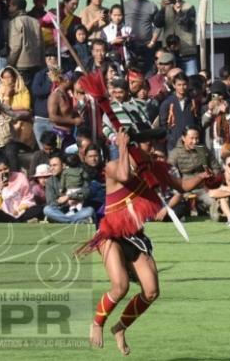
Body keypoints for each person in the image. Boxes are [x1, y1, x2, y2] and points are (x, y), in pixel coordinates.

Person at [83, 130, 214, 354]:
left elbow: (181, 185)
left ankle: (120, 327)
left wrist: (201, 178)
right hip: (111, 234)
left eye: (152, 143)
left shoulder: (152, 169)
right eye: (146, 144)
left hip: (136, 236)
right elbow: (125, 176)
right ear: (134, 146)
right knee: (120, 286)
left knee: (152, 291)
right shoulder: (114, 166)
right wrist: (123, 147)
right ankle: (97, 323)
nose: (151, 148)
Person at [167, 125, 221, 218]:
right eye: (191, 138)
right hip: (184, 190)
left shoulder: (203, 150)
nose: (195, 141)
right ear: (183, 138)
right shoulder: (175, 153)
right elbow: (169, 173)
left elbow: (216, 167)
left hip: (203, 188)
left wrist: (213, 179)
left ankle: (207, 210)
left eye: (197, 138)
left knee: (214, 203)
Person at [151, 0, 198, 75]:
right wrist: (162, 9)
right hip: (169, 55)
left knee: (190, 81)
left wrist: (179, 12)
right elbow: (157, 24)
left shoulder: (189, 7)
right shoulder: (165, 7)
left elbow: (188, 25)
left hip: (186, 54)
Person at [42, 154, 95, 223]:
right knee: (47, 209)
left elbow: (87, 192)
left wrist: (69, 197)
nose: (51, 168)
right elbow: (51, 202)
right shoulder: (50, 181)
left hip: (79, 209)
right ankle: (72, 221)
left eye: (55, 165)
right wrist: (64, 202)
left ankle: (65, 221)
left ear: (63, 166)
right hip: (61, 211)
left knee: (90, 210)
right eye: (50, 166)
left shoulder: (79, 176)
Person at [6, 0, 44, 84]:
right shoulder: (35, 21)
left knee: (22, 92)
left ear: (15, 7)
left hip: (21, 64)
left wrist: (9, 63)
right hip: (36, 62)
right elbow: (41, 44)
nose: (8, 8)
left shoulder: (15, 22)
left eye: (9, 6)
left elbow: (16, 46)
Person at [122, 0, 157, 69]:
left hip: (147, 46)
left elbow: (158, 26)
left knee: (148, 73)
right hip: (130, 46)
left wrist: (153, 41)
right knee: (131, 72)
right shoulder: (124, 5)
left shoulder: (151, 5)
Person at [158, 73, 198, 151]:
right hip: (173, 146)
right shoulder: (167, 103)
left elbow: (196, 121)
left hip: (191, 145)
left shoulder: (192, 102)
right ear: (174, 85)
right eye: (179, 85)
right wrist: (171, 138)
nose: (182, 87)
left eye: (184, 84)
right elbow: (163, 125)